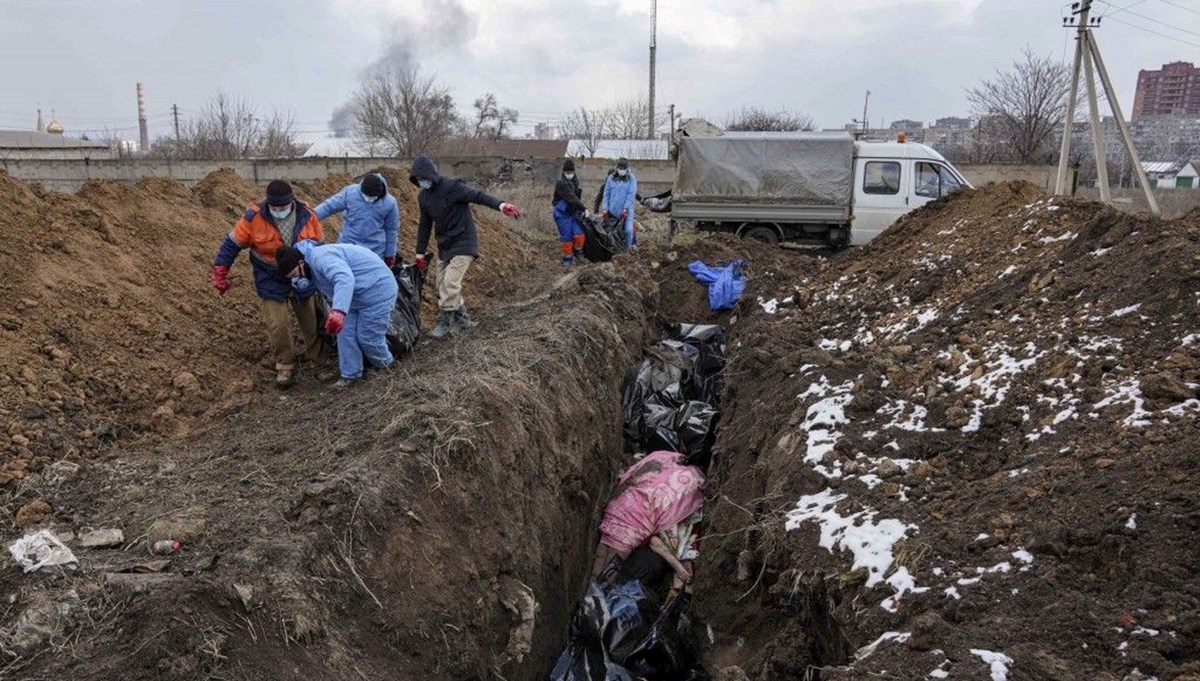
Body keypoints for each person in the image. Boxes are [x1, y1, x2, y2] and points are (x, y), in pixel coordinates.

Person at [211, 180, 326, 387]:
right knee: (277, 324)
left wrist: (319, 274)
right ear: (268, 204)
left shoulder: (307, 214)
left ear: (292, 201)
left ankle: (319, 363)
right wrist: (221, 269)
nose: (279, 211)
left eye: (283, 207)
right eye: (275, 208)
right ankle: (285, 365)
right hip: (270, 275)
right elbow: (232, 244)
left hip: (302, 272)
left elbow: (320, 246)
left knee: (311, 320)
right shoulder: (254, 217)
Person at [409, 155, 523, 338]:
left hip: (464, 241)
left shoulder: (452, 187)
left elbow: (478, 196)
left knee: (450, 283)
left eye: (424, 178)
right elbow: (424, 225)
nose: (422, 182)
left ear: (431, 175)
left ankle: (444, 323)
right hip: (444, 245)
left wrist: (501, 205)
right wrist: (419, 253)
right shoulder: (423, 197)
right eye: (418, 179)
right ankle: (463, 320)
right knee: (441, 286)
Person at [275, 240, 398, 388]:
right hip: (355, 297)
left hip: (377, 290)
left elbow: (344, 279)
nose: (296, 279)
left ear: (301, 263)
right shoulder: (311, 267)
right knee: (345, 334)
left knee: (368, 337)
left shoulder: (321, 258)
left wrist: (338, 312)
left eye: (294, 274)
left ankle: (388, 368)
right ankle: (350, 375)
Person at [314, 172, 400, 266]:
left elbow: (391, 230)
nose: (368, 199)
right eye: (365, 196)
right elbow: (329, 207)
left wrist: (390, 255)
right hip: (348, 245)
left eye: (371, 197)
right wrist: (310, 216)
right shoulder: (350, 193)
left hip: (374, 250)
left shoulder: (390, 203)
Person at [552, 159, 588, 266]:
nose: (569, 175)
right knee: (567, 237)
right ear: (563, 172)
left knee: (579, 234)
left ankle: (578, 252)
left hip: (573, 212)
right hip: (561, 213)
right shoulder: (561, 184)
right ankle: (567, 260)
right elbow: (571, 197)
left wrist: (580, 209)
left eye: (571, 172)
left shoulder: (575, 181)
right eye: (567, 173)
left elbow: (576, 197)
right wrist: (584, 207)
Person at [601, 157, 638, 248]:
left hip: (627, 211)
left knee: (628, 231)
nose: (621, 170)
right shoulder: (611, 178)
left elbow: (631, 195)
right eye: (620, 168)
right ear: (616, 168)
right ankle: (616, 248)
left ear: (627, 169)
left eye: (623, 169)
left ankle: (627, 249)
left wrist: (625, 209)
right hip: (613, 211)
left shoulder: (631, 179)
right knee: (613, 232)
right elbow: (606, 194)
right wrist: (605, 209)